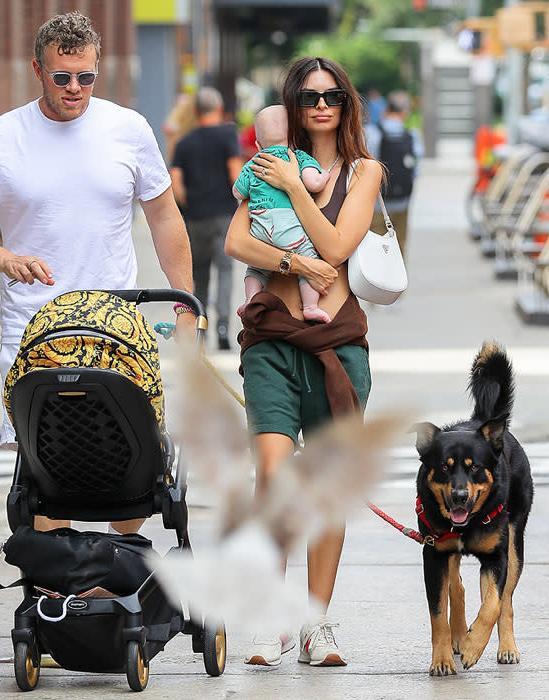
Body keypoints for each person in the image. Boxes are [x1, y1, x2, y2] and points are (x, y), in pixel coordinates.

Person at [0, 11, 194, 533]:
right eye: (62, 76)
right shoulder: (0, 137)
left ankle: (116, 583)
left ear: (97, 69)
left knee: (132, 455)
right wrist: (5, 259)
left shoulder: (128, 129)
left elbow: (164, 217)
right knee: (47, 469)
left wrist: (186, 309)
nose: (74, 88)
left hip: (115, 327)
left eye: (85, 77)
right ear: (37, 70)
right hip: (32, 329)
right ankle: (61, 590)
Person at [224, 56, 382, 667]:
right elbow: (238, 241)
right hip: (271, 339)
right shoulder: (270, 160)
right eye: (310, 95)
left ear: (347, 104)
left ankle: (317, 624)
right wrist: (292, 263)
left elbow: (338, 246)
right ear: (292, 104)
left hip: (337, 347)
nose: (322, 105)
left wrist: (294, 188)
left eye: (334, 95)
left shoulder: (364, 172)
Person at [233, 104, 333, 323]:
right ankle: (310, 306)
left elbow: (238, 192)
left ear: (258, 143)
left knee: (255, 268)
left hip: (260, 230)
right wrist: (324, 175)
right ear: (294, 137)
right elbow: (313, 183)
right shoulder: (297, 157)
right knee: (309, 257)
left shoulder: (254, 163)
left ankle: (250, 299)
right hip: (289, 229)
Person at [170, 87, 242, 350]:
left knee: (198, 273)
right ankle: (223, 327)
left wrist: (190, 204)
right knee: (224, 270)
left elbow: (175, 182)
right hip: (223, 215)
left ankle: (201, 327)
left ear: (196, 111)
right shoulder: (227, 134)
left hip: (195, 218)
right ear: (219, 109)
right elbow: (236, 173)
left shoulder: (184, 142)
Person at [364, 90, 423, 262]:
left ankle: (376, 287)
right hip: (403, 202)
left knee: (376, 249)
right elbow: (415, 170)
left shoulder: (371, 133)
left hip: (376, 205)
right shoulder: (412, 136)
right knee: (400, 246)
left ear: (386, 109)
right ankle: (398, 287)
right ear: (405, 112)